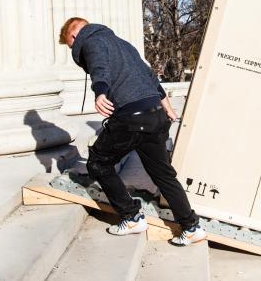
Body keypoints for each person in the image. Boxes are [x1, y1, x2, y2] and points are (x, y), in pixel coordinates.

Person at [59, 17, 206, 246]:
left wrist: (100, 92)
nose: (75, 52)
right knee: (163, 175)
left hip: (131, 117)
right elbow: (150, 78)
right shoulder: (123, 44)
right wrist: (167, 108)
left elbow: (99, 68)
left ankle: (131, 217)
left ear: (75, 36)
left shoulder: (91, 41)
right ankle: (191, 226)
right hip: (155, 113)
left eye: (71, 46)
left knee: (98, 162)